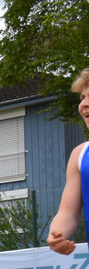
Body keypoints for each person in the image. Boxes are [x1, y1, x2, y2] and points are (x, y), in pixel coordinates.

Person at [47, 68, 89, 256]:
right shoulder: (80, 155)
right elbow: (67, 213)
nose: (84, 104)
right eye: (82, 98)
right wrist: (57, 233)